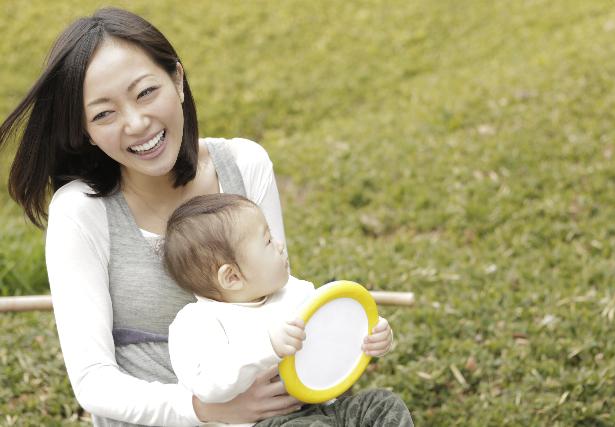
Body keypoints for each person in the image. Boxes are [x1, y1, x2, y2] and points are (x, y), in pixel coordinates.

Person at [0, 7, 310, 426]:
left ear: (177, 80)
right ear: (86, 131)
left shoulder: (244, 164)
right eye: (103, 113)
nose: (137, 123)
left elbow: (279, 296)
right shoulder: (81, 212)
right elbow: (93, 381)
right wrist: (202, 409)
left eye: (145, 92)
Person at [163, 193, 412, 426]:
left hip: (328, 407)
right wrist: (268, 346)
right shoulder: (198, 322)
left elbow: (335, 330)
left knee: (382, 404)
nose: (280, 245)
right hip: (270, 421)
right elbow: (208, 384)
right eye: (268, 241)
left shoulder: (295, 292)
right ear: (232, 277)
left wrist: (372, 334)